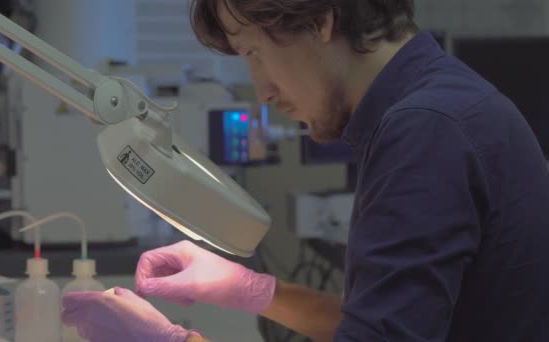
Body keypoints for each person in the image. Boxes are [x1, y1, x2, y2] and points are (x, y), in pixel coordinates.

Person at [61, 0, 549, 341]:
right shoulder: (434, 103)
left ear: (319, 21)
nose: (263, 92)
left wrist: (172, 340)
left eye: (255, 52)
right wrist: (255, 291)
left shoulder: (426, 132)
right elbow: (383, 324)